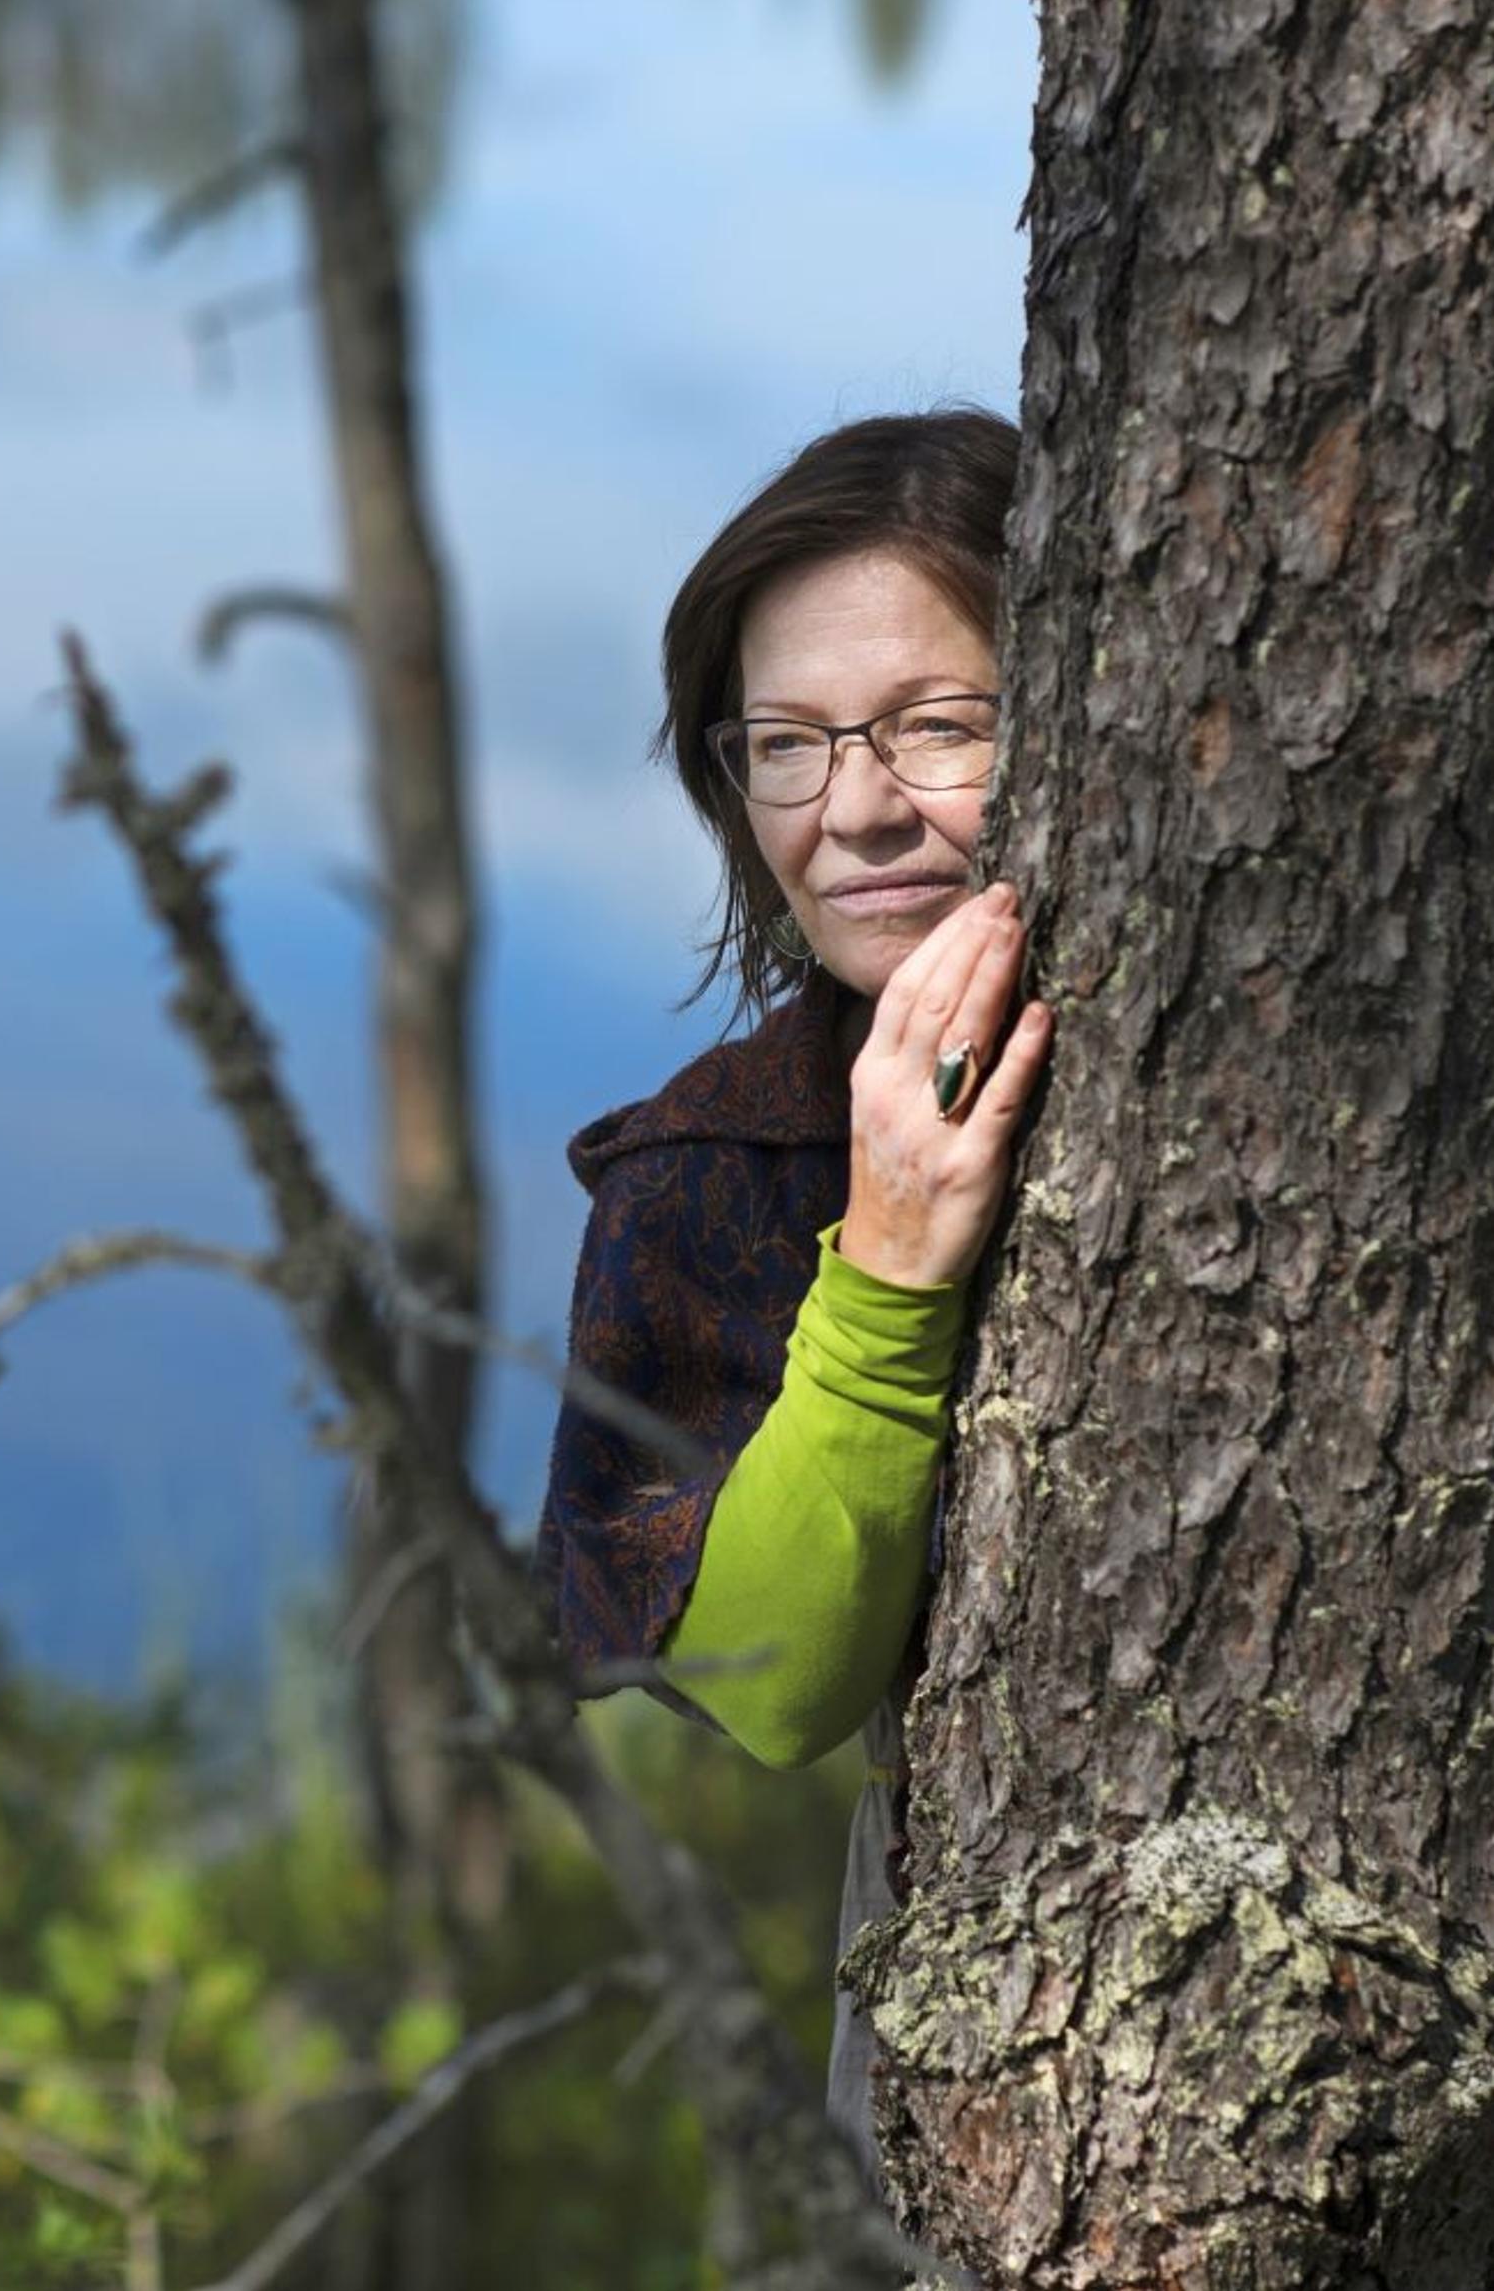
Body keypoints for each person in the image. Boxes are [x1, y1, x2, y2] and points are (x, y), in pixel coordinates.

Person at [535, 409, 1052, 2185]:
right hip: (1002, 2022)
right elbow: (763, 1687)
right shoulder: (720, 1175)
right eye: (787, 746)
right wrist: (891, 1270)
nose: (853, 811)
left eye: (936, 723)